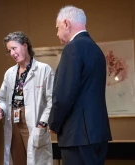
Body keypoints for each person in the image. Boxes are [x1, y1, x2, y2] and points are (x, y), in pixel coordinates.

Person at [48, 5, 112, 165]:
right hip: (98, 133)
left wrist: (54, 123)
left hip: (77, 134)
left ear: (66, 24)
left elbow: (63, 94)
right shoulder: (96, 49)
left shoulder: (73, 47)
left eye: (57, 28)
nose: (57, 33)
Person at [0, 31, 54, 165]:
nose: (12, 53)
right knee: (18, 160)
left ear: (25, 45)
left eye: (14, 48)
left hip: (33, 121)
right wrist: (1, 109)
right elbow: (2, 99)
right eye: (9, 50)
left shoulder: (44, 70)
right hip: (14, 121)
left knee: (35, 159)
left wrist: (43, 122)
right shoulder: (10, 73)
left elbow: (52, 100)